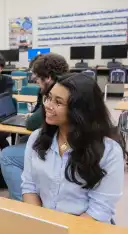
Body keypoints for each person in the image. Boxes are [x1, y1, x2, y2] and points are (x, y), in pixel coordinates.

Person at [22, 73, 125, 223]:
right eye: (49, 97)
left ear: (80, 111)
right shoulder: (37, 138)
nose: (48, 105)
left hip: (85, 227)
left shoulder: (109, 152)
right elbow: (29, 186)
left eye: (58, 102)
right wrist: (40, 224)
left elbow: (100, 209)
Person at [0, 53, 69, 200]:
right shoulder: (73, 87)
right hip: (61, 142)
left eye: (37, 78)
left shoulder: (54, 93)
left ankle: (21, 204)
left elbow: (32, 123)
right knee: (25, 141)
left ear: (49, 77)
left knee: (7, 155)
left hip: (62, 148)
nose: (34, 80)